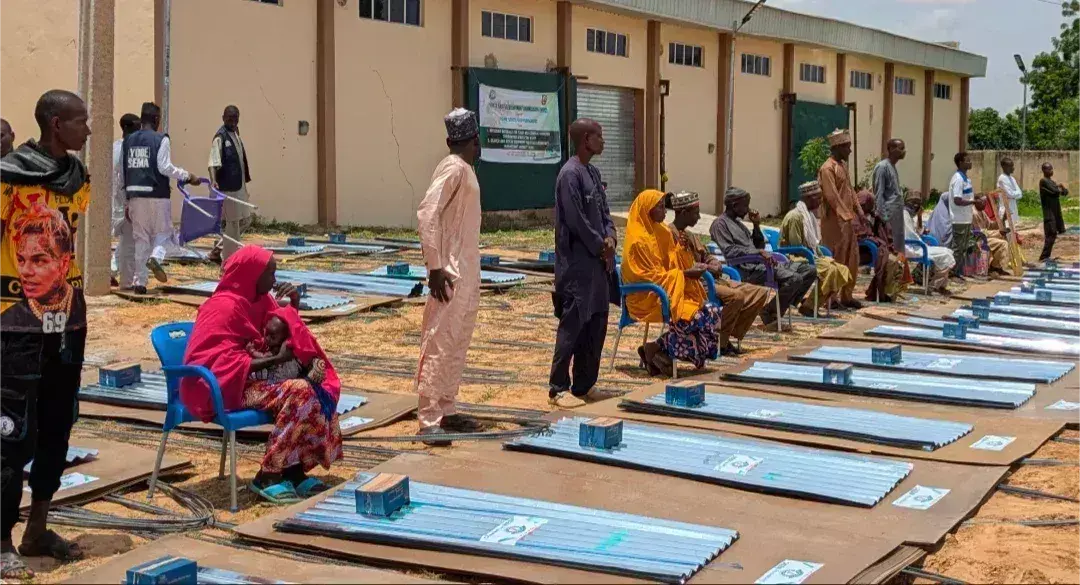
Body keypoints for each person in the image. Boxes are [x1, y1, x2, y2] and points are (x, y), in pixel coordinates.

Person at [0, 89, 92, 578]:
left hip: (67, 322)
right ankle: (1, 540)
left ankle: (38, 527)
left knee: (58, 426)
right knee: (11, 434)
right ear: (57, 124)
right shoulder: (7, 176)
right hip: (17, 326)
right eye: (80, 121)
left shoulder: (78, 177)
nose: (88, 130)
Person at [181, 245, 341, 503]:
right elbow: (214, 361)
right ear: (252, 275)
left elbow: (281, 333)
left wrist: (293, 306)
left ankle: (293, 470)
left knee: (319, 389)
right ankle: (268, 475)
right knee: (300, 392)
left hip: (254, 380)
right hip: (223, 387)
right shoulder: (221, 308)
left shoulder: (262, 300)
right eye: (270, 273)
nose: (274, 280)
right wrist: (276, 360)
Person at [414, 108, 485, 446]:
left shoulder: (465, 170)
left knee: (456, 343)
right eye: (471, 141)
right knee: (440, 343)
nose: (475, 146)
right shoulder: (453, 167)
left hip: (466, 272)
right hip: (450, 273)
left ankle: (446, 408)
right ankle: (428, 418)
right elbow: (427, 213)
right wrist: (434, 267)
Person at [549, 118, 617, 408]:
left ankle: (584, 385)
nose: (603, 141)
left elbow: (605, 214)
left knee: (596, 326)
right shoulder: (569, 175)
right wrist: (600, 245)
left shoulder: (593, 172)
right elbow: (576, 220)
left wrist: (611, 237)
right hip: (577, 267)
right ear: (586, 140)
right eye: (598, 136)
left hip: (598, 267)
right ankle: (558, 388)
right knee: (572, 327)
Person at [623, 190, 722, 374]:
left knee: (712, 311)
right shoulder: (638, 241)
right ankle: (661, 352)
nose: (665, 211)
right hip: (647, 297)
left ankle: (656, 348)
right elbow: (649, 277)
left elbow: (672, 264)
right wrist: (685, 274)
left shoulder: (662, 233)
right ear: (647, 210)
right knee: (696, 317)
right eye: (660, 207)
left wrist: (684, 254)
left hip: (667, 291)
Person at [668, 191, 770, 354]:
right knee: (737, 297)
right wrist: (706, 268)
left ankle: (724, 337)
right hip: (695, 283)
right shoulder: (668, 235)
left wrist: (714, 262)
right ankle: (719, 342)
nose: (699, 217)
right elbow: (674, 266)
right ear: (684, 213)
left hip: (713, 279)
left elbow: (706, 255)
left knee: (760, 292)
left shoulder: (690, 235)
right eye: (695, 213)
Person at [712, 187, 816, 329]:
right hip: (747, 269)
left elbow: (758, 245)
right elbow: (730, 251)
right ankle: (770, 314)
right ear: (735, 206)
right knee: (794, 279)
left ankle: (779, 305)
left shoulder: (739, 224)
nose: (748, 209)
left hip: (763, 264)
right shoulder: (720, 224)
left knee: (809, 270)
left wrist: (756, 225)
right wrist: (759, 253)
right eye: (745, 205)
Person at [122, 102, 194, 294]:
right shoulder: (161, 139)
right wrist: (186, 175)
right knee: (164, 234)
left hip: (135, 196)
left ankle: (140, 282)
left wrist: (127, 201)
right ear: (156, 119)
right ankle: (156, 257)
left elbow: (125, 171)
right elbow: (164, 167)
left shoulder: (128, 141)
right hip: (157, 195)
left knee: (141, 239)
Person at [780, 181, 854, 313]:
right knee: (831, 271)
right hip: (795, 257)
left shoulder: (809, 216)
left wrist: (820, 256)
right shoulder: (795, 217)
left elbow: (813, 244)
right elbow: (796, 246)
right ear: (809, 198)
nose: (821, 201)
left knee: (841, 270)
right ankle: (810, 306)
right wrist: (817, 258)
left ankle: (810, 303)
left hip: (808, 254)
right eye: (818, 198)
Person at [818, 129, 863, 308]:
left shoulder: (843, 166)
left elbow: (850, 191)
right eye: (847, 147)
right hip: (835, 222)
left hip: (848, 220)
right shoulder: (827, 168)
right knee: (836, 259)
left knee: (852, 258)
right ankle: (831, 298)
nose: (850, 151)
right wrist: (846, 215)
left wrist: (859, 212)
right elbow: (832, 196)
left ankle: (847, 296)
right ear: (837, 147)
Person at [207, 105, 253, 263]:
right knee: (233, 225)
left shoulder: (236, 134)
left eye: (235, 118)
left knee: (246, 220)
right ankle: (228, 262)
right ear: (223, 118)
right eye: (229, 118)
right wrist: (213, 181)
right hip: (228, 189)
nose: (233, 121)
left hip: (239, 187)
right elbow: (213, 163)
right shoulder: (220, 137)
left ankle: (217, 249)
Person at [856, 189, 908, 301]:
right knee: (892, 261)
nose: (863, 207)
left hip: (876, 249)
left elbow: (884, 233)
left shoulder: (875, 217)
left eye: (866, 204)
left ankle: (887, 292)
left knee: (899, 259)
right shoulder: (855, 217)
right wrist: (877, 242)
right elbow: (860, 235)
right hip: (862, 252)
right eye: (862, 204)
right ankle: (882, 293)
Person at [903, 191, 954, 294]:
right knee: (946, 255)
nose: (916, 205)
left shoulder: (909, 215)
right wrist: (921, 241)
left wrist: (919, 216)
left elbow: (917, 231)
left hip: (916, 245)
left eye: (918, 203)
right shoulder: (904, 215)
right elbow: (911, 235)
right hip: (911, 247)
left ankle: (939, 285)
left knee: (948, 251)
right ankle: (935, 286)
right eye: (913, 202)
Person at [111, 113, 139, 289]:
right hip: (124, 202)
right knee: (129, 243)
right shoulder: (127, 149)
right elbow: (124, 178)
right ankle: (126, 283)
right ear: (127, 128)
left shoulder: (114, 147)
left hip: (115, 202)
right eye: (137, 126)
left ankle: (111, 271)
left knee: (124, 241)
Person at [872, 138, 907, 252]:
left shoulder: (892, 166)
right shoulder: (882, 167)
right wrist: (884, 218)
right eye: (901, 148)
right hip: (888, 217)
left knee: (898, 247)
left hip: (896, 216)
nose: (903, 151)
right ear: (891, 149)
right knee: (889, 247)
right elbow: (879, 194)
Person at [946, 152, 976, 276]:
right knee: (957, 248)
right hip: (959, 219)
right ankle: (951, 273)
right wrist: (973, 202)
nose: (970, 162)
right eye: (967, 160)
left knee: (963, 247)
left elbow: (967, 196)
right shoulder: (958, 179)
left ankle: (958, 272)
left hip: (966, 218)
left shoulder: (966, 179)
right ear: (961, 163)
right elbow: (957, 200)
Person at [972, 194, 1010, 276]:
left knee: (1003, 241)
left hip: (984, 237)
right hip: (977, 239)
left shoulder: (982, 212)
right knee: (1003, 244)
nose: (985, 204)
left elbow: (991, 225)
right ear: (976, 202)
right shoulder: (974, 213)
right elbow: (979, 232)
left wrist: (1002, 219)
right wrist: (998, 233)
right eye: (983, 202)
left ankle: (995, 267)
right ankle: (994, 267)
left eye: (985, 202)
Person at [1039, 162, 1069, 262]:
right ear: (1044, 170)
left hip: (1055, 213)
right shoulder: (1043, 181)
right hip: (1049, 213)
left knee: (1053, 235)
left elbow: (1065, 193)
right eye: (1049, 169)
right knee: (1050, 234)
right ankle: (1043, 257)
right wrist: (1058, 187)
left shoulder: (1051, 182)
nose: (1051, 171)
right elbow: (1055, 191)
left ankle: (1046, 256)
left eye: (1052, 169)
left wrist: (1062, 187)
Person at [996, 157, 1023, 234]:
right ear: (1004, 167)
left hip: (1013, 207)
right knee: (1007, 232)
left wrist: (1014, 194)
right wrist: (1015, 194)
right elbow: (1009, 194)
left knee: (1013, 231)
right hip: (1006, 209)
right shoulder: (1002, 178)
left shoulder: (1012, 179)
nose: (1013, 168)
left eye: (1012, 166)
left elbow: (1020, 194)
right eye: (1010, 166)